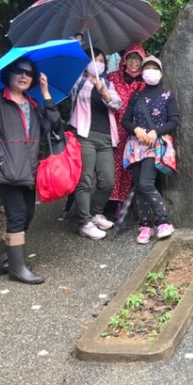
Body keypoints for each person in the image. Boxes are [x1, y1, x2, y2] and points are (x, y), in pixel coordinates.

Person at [0, 59, 62, 284]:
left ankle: (2, 261)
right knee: (18, 214)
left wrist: (46, 93)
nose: (24, 76)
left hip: (28, 170)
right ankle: (17, 269)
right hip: (6, 171)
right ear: (8, 74)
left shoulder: (33, 104)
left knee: (28, 215)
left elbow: (55, 125)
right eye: (18, 71)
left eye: (29, 73)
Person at [120, 56, 178, 244]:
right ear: (142, 73)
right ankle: (145, 225)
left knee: (146, 183)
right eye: (147, 68)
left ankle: (164, 221)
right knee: (138, 184)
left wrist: (155, 132)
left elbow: (173, 121)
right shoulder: (137, 96)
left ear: (160, 73)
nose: (150, 71)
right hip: (136, 145)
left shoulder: (168, 95)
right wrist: (136, 129)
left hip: (156, 145)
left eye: (154, 68)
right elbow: (126, 120)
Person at [68, 49, 122, 240]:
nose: (97, 63)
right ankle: (84, 222)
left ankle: (96, 212)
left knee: (107, 180)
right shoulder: (79, 82)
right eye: (93, 60)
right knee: (85, 180)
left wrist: (104, 92)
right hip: (85, 136)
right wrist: (78, 39)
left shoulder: (108, 84)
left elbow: (117, 104)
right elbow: (70, 77)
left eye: (101, 60)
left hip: (106, 137)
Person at [107, 43, 147, 209]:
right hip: (114, 127)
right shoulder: (113, 77)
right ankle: (108, 201)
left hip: (134, 129)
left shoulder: (145, 82)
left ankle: (122, 204)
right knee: (111, 165)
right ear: (124, 60)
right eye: (130, 58)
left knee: (128, 165)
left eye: (137, 59)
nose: (133, 63)